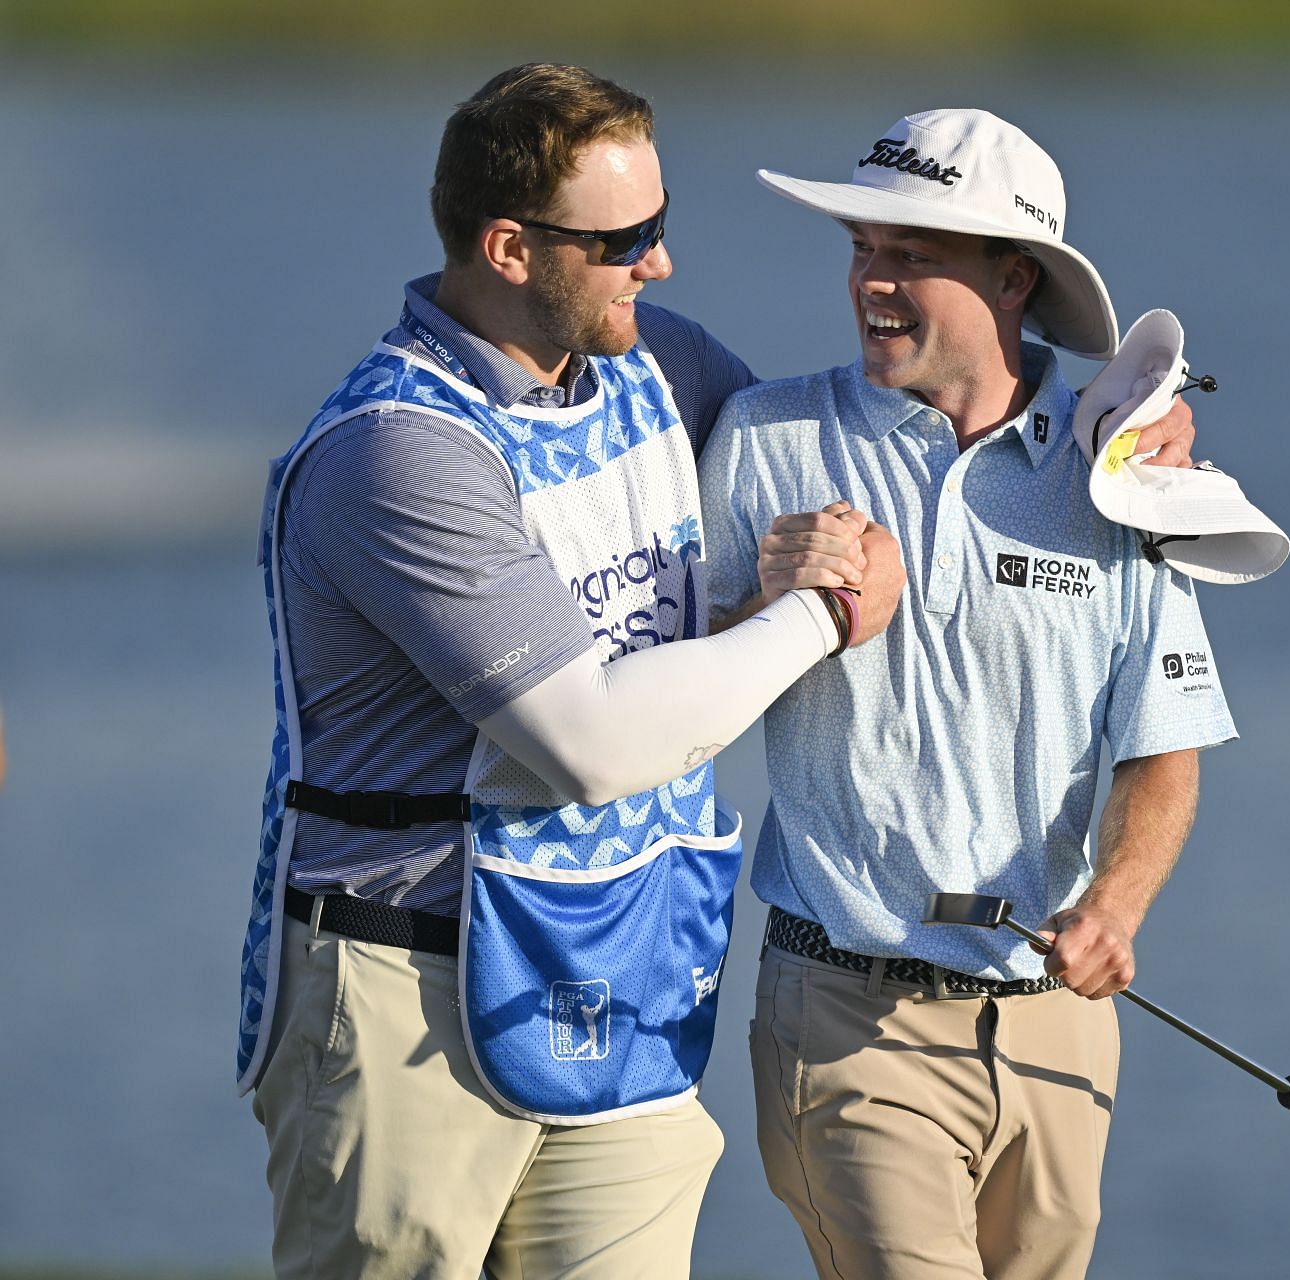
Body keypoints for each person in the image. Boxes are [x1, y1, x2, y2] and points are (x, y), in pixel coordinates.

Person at [233, 63, 914, 1280]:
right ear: (507, 247)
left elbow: (880, 454)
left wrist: (1088, 432)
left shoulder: (665, 364)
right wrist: (820, 613)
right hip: (405, 986)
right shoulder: (397, 451)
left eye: (660, 225)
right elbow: (588, 742)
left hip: (622, 962)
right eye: (625, 240)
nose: (661, 264)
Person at [698, 108, 1238, 1280]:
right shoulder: (764, 436)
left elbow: (1165, 745)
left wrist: (1120, 906)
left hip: (1057, 1026)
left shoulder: (1120, 470)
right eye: (861, 248)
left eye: (910, 255)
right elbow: (676, 695)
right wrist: (778, 608)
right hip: (850, 1015)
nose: (870, 282)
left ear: (1014, 278)